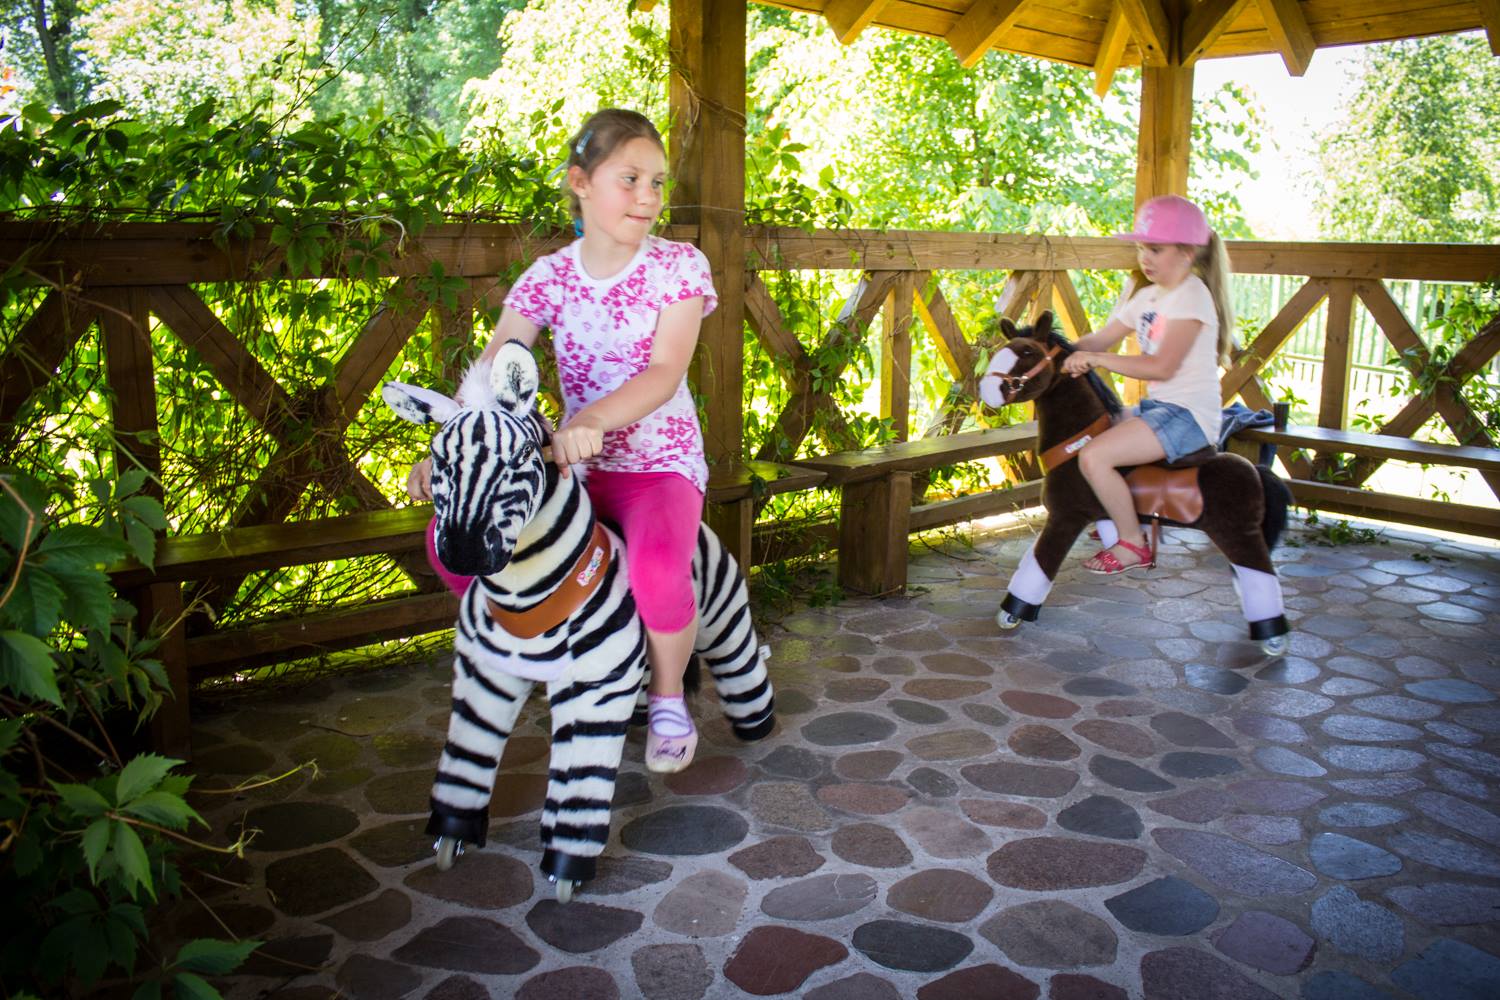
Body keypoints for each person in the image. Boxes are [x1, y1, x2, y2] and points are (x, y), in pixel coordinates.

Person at [407, 108, 715, 773]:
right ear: (580, 182)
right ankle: (530, 641)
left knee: (659, 573)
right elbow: (489, 372)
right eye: (630, 178)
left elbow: (665, 370)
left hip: (658, 464)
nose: (648, 197)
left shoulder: (678, 267)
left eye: (658, 183)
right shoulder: (549, 276)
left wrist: (593, 422)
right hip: (567, 470)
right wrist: (445, 453)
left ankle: (664, 697)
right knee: (453, 547)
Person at [1058, 194, 1235, 574]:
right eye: (1141, 248)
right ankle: (1115, 514)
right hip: (1161, 411)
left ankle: (1131, 543)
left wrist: (1097, 360)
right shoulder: (1148, 296)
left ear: (1187, 252)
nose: (1145, 258)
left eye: (1155, 249)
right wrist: (1055, 352)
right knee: (1091, 433)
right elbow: (1101, 340)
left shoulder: (1192, 296)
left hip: (1188, 417)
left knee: (1095, 456)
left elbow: (1161, 366)